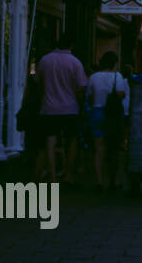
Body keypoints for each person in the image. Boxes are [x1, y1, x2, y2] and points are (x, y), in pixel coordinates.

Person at [37, 33, 88, 185]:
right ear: (71, 45)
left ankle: (52, 176)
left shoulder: (45, 60)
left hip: (49, 108)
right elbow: (81, 87)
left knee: (50, 141)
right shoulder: (75, 62)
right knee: (71, 140)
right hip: (70, 108)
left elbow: (38, 82)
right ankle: (68, 174)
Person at [84, 52, 129, 191]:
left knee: (99, 148)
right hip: (113, 114)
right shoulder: (118, 76)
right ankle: (114, 181)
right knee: (114, 148)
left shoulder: (93, 77)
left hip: (97, 112)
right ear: (114, 63)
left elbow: (89, 98)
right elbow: (122, 94)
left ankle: (99, 181)